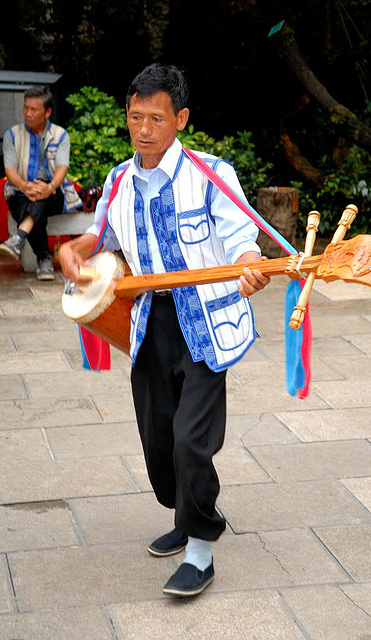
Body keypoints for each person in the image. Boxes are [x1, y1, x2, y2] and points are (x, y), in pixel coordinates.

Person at [58, 64, 270, 597]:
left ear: (181, 118)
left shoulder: (212, 173)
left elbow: (244, 238)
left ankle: (201, 550)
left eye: (157, 117)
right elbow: (98, 232)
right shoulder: (119, 180)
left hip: (206, 320)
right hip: (150, 322)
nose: (144, 128)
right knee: (157, 440)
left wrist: (249, 266)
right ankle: (185, 509)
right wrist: (72, 250)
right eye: (135, 117)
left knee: (190, 440)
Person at [0, 85, 82, 280]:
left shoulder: (61, 135)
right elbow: (9, 170)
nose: (28, 113)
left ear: (47, 112)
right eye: (25, 108)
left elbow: (62, 168)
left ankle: (20, 241)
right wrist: (25, 186)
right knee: (34, 203)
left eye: (33, 109)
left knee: (41, 198)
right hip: (19, 190)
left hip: (53, 191)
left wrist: (50, 187)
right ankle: (43, 259)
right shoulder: (12, 135)